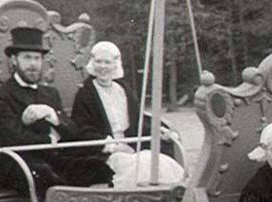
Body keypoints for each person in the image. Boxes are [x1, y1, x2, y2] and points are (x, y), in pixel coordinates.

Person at [0, 27, 113, 202]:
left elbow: (72, 132)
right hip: (21, 164)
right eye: (27, 58)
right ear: (14, 60)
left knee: (100, 167)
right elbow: (12, 137)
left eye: (37, 58)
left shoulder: (50, 93)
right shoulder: (0, 95)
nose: (33, 64)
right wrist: (51, 140)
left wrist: (52, 114)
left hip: (55, 159)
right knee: (48, 176)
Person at [70, 41, 186, 188]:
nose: (103, 67)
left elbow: (138, 120)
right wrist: (113, 146)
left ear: (115, 65)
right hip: (103, 151)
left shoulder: (123, 89)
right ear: (92, 64)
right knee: (142, 165)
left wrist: (160, 130)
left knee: (160, 162)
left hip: (132, 146)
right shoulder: (85, 93)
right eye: (98, 62)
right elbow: (82, 129)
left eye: (107, 62)